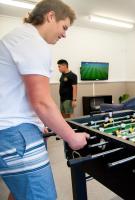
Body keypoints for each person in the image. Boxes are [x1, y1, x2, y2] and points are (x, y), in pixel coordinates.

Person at [0, 1, 89, 200]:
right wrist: (72, 137)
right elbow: (41, 102)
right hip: (15, 133)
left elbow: (22, 94)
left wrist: (40, 123)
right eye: (64, 27)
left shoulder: (18, 36)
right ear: (50, 16)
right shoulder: (32, 41)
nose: (64, 34)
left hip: (11, 132)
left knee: (19, 193)